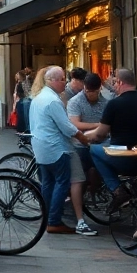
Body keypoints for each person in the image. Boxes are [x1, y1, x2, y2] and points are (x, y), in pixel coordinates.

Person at [29, 66, 93, 236]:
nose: (65, 82)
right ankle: (54, 220)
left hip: (41, 147)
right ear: (53, 81)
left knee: (48, 183)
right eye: (63, 79)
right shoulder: (53, 101)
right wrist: (83, 138)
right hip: (55, 147)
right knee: (62, 182)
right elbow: (66, 127)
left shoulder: (39, 97)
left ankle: (48, 216)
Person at [85, 68, 137, 203]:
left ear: (120, 82)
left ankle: (116, 188)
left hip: (122, 159)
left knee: (93, 150)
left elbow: (100, 134)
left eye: (115, 82)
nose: (114, 86)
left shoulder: (114, 104)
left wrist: (86, 136)